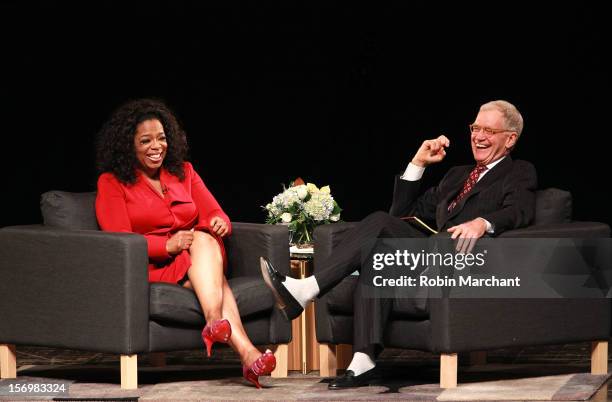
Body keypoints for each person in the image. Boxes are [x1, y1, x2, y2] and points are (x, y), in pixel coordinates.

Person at [260, 100, 537, 389]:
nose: (478, 136)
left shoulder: (519, 171)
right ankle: (363, 360)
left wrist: (483, 223)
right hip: (423, 255)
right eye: (475, 128)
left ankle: (307, 288)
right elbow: (401, 217)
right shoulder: (457, 175)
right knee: (378, 247)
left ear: (510, 138)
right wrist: (417, 164)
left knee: (380, 226)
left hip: (456, 259)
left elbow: (520, 211)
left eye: (488, 131)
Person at [95, 98, 275, 389]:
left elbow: (215, 211)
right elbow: (120, 240)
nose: (157, 147)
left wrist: (220, 221)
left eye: (162, 138)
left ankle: (216, 321)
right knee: (216, 282)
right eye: (146, 141)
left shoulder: (184, 172)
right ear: (127, 145)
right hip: (153, 265)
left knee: (204, 238)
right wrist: (165, 246)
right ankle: (246, 353)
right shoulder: (112, 182)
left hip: (199, 255)